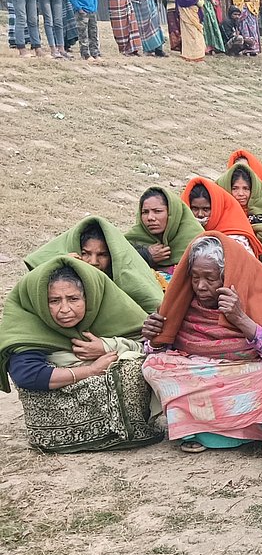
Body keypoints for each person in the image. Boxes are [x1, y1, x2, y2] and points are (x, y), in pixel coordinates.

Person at [141, 234, 262, 457]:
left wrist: (241, 318)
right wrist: (153, 338)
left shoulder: (256, 294)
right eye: (194, 278)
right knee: (153, 365)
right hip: (198, 369)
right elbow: (161, 349)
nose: (200, 286)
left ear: (228, 276)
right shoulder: (184, 303)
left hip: (246, 371)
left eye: (210, 279)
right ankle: (198, 430)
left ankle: (254, 431)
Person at [0, 257, 159, 453]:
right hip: (56, 414)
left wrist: (106, 346)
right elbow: (27, 375)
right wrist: (90, 370)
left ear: (88, 297)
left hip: (91, 386)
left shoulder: (106, 311)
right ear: (40, 302)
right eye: (54, 301)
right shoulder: (29, 323)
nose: (65, 309)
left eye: (73, 299)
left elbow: (148, 346)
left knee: (145, 363)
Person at [25, 216, 165, 313]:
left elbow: (149, 308)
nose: (93, 262)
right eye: (85, 253)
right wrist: (60, 264)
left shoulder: (124, 281)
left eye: (102, 255)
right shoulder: (66, 277)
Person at [125, 186, 205, 276]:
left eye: (157, 211)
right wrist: (146, 255)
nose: (150, 218)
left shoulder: (196, 240)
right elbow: (118, 263)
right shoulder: (134, 237)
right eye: (145, 212)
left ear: (172, 213)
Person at [183, 177, 262, 258]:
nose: (200, 214)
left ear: (217, 209)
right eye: (195, 208)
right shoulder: (183, 228)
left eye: (206, 209)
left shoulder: (235, 238)